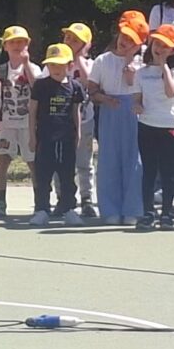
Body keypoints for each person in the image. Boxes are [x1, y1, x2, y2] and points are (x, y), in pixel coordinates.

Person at [88, 11, 147, 225]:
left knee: (134, 160)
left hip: (134, 112)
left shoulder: (143, 63)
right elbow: (92, 89)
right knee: (109, 159)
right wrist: (104, 98)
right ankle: (110, 209)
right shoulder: (103, 60)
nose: (126, 42)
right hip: (110, 111)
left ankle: (133, 209)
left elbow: (138, 88)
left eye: (132, 40)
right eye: (125, 36)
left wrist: (132, 66)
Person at [27, 43, 86, 227]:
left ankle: (69, 209)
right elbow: (32, 111)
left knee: (67, 175)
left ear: (69, 65)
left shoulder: (75, 87)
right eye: (52, 65)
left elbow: (76, 111)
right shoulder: (40, 85)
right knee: (43, 175)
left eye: (61, 65)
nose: (56, 69)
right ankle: (42, 210)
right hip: (45, 138)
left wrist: (78, 134)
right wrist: (32, 136)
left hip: (66, 139)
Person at [133, 25, 174, 230]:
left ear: (173, 50)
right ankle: (148, 213)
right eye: (157, 43)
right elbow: (137, 98)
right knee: (149, 171)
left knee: (168, 171)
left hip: (168, 126)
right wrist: (136, 105)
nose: (159, 48)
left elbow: (172, 92)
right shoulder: (141, 72)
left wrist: (164, 67)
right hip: (146, 125)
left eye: (165, 46)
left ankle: (166, 213)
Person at [0, 25, 41, 218]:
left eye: (21, 42)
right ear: (5, 46)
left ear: (27, 45)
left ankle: (40, 200)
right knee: (3, 160)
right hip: (7, 123)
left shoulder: (33, 67)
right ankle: (1, 200)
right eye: (12, 42)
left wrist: (27, 63)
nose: (17, 45)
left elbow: (36, 86)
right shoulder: (1, 70)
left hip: (27, 123)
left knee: (32, 161)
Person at [61, 22, 98, 217]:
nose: (70, 42)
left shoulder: (90, 64)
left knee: (84, 161)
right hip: (61, 121)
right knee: (62, 161)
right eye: (68, 38)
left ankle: (87, 198)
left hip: (85, 120)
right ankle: (64, 198)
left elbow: (88, 82)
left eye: (76, 40)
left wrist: (78, 58)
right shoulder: (57, 61)